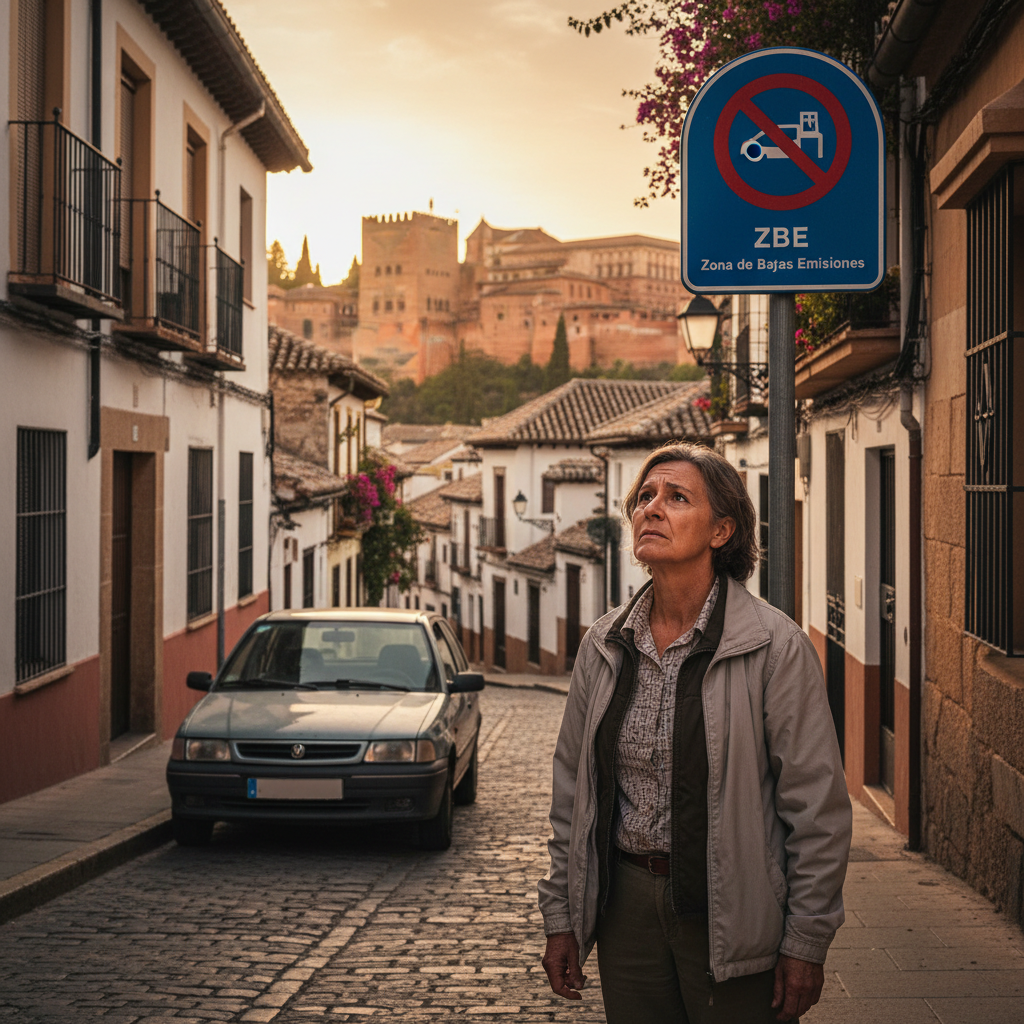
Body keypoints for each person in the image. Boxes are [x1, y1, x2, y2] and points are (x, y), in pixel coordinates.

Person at [538, 442, 851, 1023]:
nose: (651, 509)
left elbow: (817, 809)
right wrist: (562, 916)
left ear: (721, 530)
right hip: (626, 906)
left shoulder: (772, 648)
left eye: (677, 498)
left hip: (730, 910)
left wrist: (806, 940)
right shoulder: (606, 644)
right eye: (645, 497)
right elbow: (571, 794)